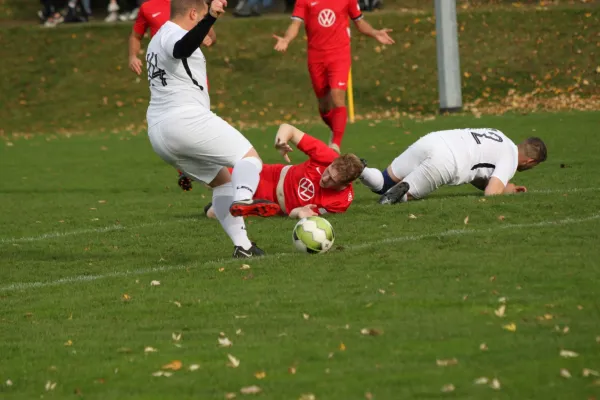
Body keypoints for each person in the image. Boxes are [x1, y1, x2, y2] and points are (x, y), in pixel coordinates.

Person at [145, 0, 280, 258]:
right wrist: (211, 18)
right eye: (201, 16)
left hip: (160, 132)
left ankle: (244, 247)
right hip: (185, 120)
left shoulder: (156, 39)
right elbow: (181, 49)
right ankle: (244, 198)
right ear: (194, 13)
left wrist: (207, 25)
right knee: (249, 158)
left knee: (222, 182)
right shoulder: (174, 34)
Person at [272, 0, 394, 153]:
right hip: (316, 57)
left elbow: (359, 21)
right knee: (324, 105)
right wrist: (286, 39)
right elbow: (295, 25)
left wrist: (375, 32)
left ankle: (335, 145)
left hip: (339, 55)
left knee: (337, 96)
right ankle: (335, 128)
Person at [128, 0, 216, 193]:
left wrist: (208, 37)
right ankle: (198, 171)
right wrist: (133, 56)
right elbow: (136, 36)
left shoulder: (189, 3)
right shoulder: (148, 7)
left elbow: (208, 31)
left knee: (199, 127)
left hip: (192, 75)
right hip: (168, 78)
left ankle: (198, 170)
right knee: (178, 123)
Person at [204, 123, 365, 219]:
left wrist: (300, 213)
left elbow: (300, 213)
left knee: (212, 214)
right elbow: (289, 128)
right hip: (269, 177)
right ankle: (189, 168)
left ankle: (226, 202)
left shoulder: (340, 202)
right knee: (214, 177)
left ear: (345, 184)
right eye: (328, 171)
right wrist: (281, 141)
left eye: (332, 180)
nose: (325, 178)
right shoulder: (327, 156)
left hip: (272, 207)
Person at [359, 128, 547, 204]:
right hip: (448, 161)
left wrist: (506, 188)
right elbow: (491, 193)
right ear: (531, 162)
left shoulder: (499, 134)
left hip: (433, 139)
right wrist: (503, 190)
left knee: (383, 182)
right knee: (395, 196)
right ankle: (401, 194)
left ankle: (359, 169)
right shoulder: (511, 159)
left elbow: (478, 174)